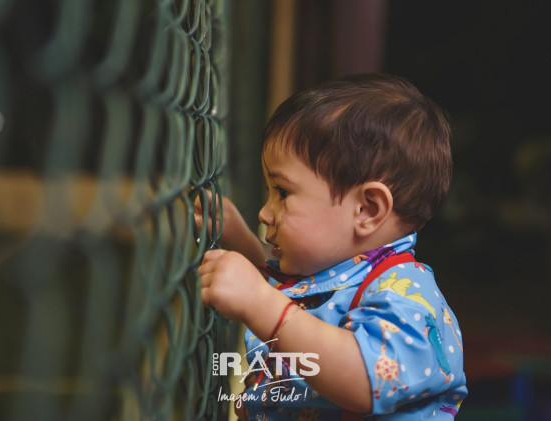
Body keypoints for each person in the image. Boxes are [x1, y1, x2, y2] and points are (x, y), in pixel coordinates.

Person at [196, 73, 467, 420]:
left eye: (282, 192)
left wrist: (260, 304)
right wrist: (239, 240)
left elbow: (363, 376)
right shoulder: (345, 271)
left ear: (367, 209)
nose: (264, 212)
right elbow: (296, 297)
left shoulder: (406, 296)